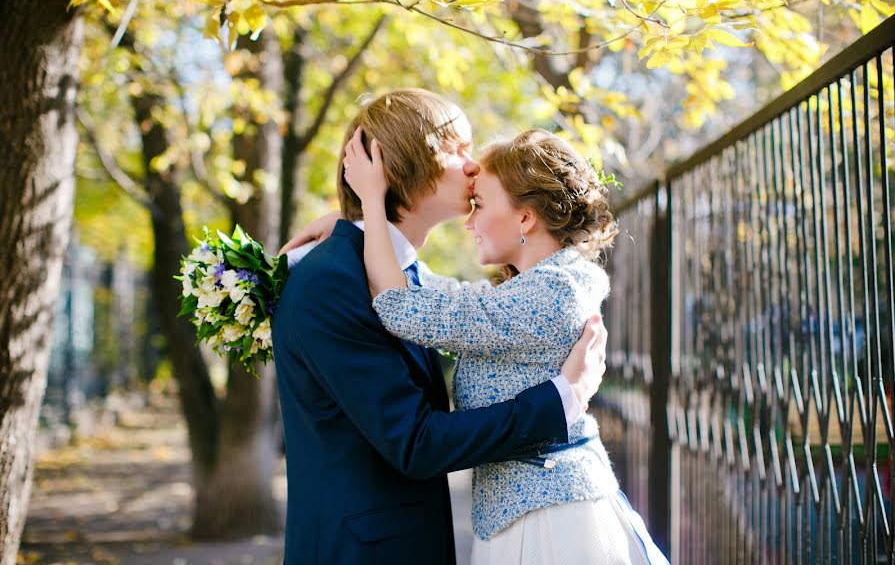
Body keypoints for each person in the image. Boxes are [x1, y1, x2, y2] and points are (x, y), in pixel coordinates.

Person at [271, 89, 607, 565]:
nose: (473, 167)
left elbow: (429, 304)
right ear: (395, 167)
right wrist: (563, 397)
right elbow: (414, 441)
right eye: (455, 149)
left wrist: (357, 218)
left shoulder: (397, 274)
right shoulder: (330, 282)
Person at [342, 126, 669, 565]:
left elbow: (402, 307)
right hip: (527, 510)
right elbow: (439, 292)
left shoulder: (552, 295)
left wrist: (372, 202)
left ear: (525, 218)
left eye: (479, 204)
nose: (469, 220)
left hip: (549, 523)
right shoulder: (539, 286)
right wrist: (357, 228)